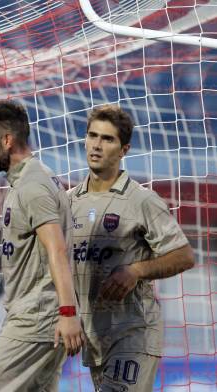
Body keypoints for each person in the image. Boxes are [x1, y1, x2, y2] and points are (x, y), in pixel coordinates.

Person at [69, 105, 195, 391]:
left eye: (108, 139)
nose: (97, 145)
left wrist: (137, 270)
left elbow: (184, 255)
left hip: (133, 331)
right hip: (94, 335)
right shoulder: (70, 201)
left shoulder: (141, 200)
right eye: (92, 135)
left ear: (124, 149)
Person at [0, 100, 84, 392]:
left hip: (36, 319)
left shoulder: (33, 186)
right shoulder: (28, 181)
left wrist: (68, 313)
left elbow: (57, 249)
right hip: (40, 317)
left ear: (7, 141)